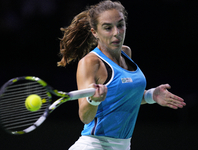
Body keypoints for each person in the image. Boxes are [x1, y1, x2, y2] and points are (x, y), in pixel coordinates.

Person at [57, 0, 186, 149]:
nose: (116, 33)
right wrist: (93, 101)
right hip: (95, 145)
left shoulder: (126, 53)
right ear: (95, 32)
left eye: (120, 25)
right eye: (107, 28)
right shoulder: (91, 62)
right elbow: (85, 116)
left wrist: (152, 96)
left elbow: (122, 97)